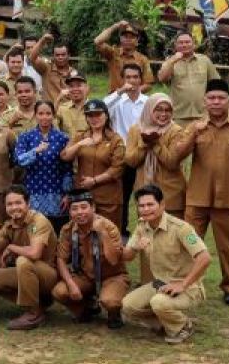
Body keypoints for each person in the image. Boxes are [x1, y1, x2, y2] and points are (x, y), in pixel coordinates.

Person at [172, 78, 229, 306]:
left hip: (228, 200)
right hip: (197, 199)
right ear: (204, 101)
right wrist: (193, 134)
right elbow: (177, 156)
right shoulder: (195, 126)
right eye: (211, 98)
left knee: (228, 246)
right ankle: (185, 283)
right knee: (189, 242)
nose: (216, 102)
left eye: (221, 98)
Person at [121, 185, 211, 344]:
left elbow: (204, 257)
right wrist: (135, 247)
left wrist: (183, 284)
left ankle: (183, 325)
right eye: (141, 206)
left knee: (158, 302)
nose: (146, 209)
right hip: (159, 284)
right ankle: (165, 322)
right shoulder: (142, 226)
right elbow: (126, 256)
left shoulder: (181, 228)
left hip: (189, 287)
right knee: (128, 305)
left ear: (162, 205)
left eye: (150, 205)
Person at [0, 184, 58, 330]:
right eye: (9, 204)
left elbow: (34, 253)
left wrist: (11, 247)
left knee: (23, 261)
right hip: (28, 273)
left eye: (18, 203)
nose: (14, 207)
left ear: (28, 203)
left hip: (49, 275)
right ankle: (40, 303)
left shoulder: (37, 221)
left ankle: (33, 313)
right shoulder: (8, 225)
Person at [52, 192, 128, 329]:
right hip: (85, 275)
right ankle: (85, 308)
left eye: (83, 207)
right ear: (69, 211)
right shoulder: (68, 229)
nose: (79, 212)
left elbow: (114, 260)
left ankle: (114, 313)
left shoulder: (108, 226)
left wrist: (103, 234)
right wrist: (71, 283)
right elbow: (61, 259)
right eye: (74, 209)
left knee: (110, 300)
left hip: (111, 275)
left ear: (93, 208)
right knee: (60, 291)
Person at [61, 98, 125, 229]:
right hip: (83, 197)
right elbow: (65, 156)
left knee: (108, 233)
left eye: (98, 114)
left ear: (106, 116)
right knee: (83, 234)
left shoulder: (115, 139)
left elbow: (117, 168)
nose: (94, 118)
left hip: (108, 198)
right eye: (90, 115)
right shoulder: (80, 136)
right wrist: (79, 144)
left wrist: (95, 180)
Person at [124, 93, 187, 218]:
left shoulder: (176, 131)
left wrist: (156, 143)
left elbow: (172, 162)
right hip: (144, 192)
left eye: (168, 110)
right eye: (158, 109)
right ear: (149, 109)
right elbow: (130, 161)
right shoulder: (136, 130)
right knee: (147, 232)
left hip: (170, 194)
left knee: (172, 233)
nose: (163, 114)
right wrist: (144, 144)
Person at [14, 100, 72, 231]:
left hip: (56, 193)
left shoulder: (62, 138)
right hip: (33, 191)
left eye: (48, 113)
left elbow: (67, 169)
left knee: (57, 230)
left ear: (54, 115)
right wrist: (35, 151)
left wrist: (67, 194)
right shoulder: (25, 137)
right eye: (40, 113)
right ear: (35, 115)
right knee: (34, 230)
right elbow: (19, 160)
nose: (44, 117)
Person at [105, 63, 148, 236]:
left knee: (144, 193)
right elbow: (101, 107)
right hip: (122, 154)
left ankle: (146, 228)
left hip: (143, 154)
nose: (132, 81)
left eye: (135, 77)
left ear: (141, 79)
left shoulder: (147, 102)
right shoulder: (116, 101)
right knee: (122, 195)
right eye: (128, 77)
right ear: (123, 80)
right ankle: (121, 230)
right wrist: (120, 91)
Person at [157, 30, 222, 126]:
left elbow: (216, 84)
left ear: (194, 44)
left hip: (202, 115)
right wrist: (173, 60)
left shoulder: (204, 61)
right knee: (180, 141)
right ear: (176, 45)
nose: (184, 45)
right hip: (178, 116)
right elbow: (162, 78)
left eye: (187, 42)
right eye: (181, 43)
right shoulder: (170, 62)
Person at [94, 21, 154, 93]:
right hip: (114, 98)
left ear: (137, 41)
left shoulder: (143, 59)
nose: (128, 39)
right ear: (120, 39)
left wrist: (131, 93)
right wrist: (115, 26)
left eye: (131, 37)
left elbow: (148, 84)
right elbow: (97, 41)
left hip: (134, 99)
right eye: (125, 36)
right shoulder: (113, 53)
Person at [29, 34, 75, 105]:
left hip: (67, 112)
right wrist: (43, 41)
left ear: (68, 55)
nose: (60, 57)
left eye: (63, 55)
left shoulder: (74, 73)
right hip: (49, 111)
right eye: (57, 55)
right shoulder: (46, 68)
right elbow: (32, 58)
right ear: (53, 56)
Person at [55, 70, 90, 138]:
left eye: (79, 85)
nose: (75, 89)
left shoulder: (94, 108)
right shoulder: (62, 109)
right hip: (67, 147)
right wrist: (58, 99)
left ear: (87, 87)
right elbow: (51, 126)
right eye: (71, 86)